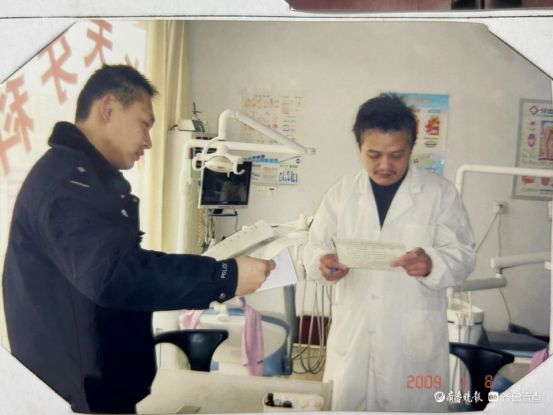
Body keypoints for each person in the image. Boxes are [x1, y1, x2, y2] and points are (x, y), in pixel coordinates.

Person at [2, 64, 275, 414]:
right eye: (144, 124)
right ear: (108, 108)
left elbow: (127, 265)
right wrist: (225, 277)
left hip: (97, 390)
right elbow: (114, 277)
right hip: (77, 398)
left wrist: (221, 273)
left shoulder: (86, 180)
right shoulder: (68, 185)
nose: (148, 141)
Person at [303, 94, 475, 412]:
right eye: (374, 155)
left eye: (397, 155)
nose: (385, 165)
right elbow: (314, 247)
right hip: (354, 337)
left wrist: (431, 264)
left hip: (411, 343)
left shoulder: (440, 194)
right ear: (359, 147)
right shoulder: (342, 194)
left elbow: (463, 255)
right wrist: (322, 262)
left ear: (411, 148)